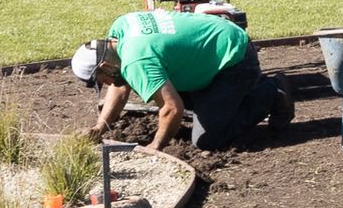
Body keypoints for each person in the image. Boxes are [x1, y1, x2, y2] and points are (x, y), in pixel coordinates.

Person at [72, 8, 292, 152]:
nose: (107, 84)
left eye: (101, 80)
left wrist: (155, 147)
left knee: (207, 140)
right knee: (157, 86)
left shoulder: (136, 61)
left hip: (235, 59)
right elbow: (121, 87)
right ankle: (226, 100)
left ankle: (272, 93)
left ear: (105, 66)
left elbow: (172, 109)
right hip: (216, 43)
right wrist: (99, 127)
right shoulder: (120, 29)